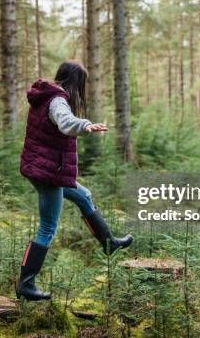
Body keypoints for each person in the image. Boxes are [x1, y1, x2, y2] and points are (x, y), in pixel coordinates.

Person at [16, 60, 133, 301]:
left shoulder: (46, 96)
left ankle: (109, 243)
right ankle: (25, 285)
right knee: (47, 228)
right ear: (75, 83)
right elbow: (66, 122)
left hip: (47, 169)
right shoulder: (58, 101)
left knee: (85, 196)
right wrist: (86, 125)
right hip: (48, 174)